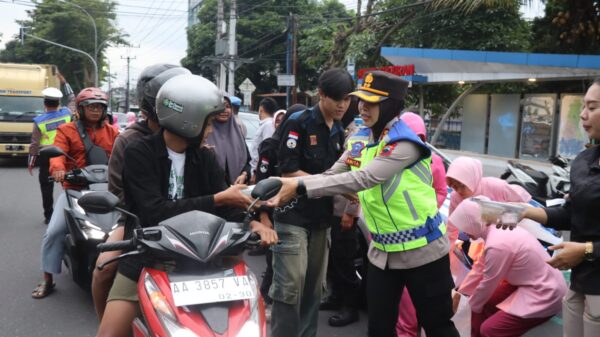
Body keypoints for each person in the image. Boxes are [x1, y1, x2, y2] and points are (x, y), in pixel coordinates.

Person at [267, 70, 460, 337]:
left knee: (438, 326)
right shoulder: (360, 139)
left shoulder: (404, 143)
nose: (362, 108)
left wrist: (299, 186)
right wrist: (281, 186)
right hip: (382, 254)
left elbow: (364, 178)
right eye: (361, 100)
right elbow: (332, 175)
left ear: (391, 104)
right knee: (379, 329)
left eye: (371, 102)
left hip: (423, 251)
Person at [95, 74, 277, 337]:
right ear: (189, 120)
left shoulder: (204, 157)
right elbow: (152, 212)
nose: (212, 130)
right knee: (108, 334)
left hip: (203, 257)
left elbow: (227, 207)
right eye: (210, 123)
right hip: (149, 255)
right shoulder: (139, 153)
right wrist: (218, 199)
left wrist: (255, 223)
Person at [91, 64, 190, 320]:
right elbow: (119, 194)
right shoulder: (130, 141)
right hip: (137, 221)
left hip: (189, 223)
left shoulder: (194, 139)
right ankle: (105, 319)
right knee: (103, 268)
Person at [268, 68, 353, 337]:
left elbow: (338, 175)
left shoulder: (340, 131)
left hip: (321, 219)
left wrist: (346, 189)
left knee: (314, 289)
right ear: (321, 94)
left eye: (347, 99)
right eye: (337, 98)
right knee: (290, 288)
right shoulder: (298, 122)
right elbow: (288, 172)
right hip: (292, 216)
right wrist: (331, 186)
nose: (342, 105)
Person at [513, 78, 600, 337]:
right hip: (580, 285)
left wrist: (586, 250)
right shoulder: (585, 160)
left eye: (593, 107)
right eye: (583, 106)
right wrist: (523, 211)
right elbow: (574, 215)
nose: (583, 115)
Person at [32, 87, 119, 299]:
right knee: (54, 232)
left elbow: (126, 155)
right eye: (91, 107)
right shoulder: (66, 131)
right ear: (81, 108)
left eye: (99, 107)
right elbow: (56, 155)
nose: (96, 111)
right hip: (76, 191)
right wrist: (59, 170)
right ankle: (47, 279)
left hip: (109, 191)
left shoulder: (113, 133)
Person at [450, 198, 567, 337]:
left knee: (489, 330)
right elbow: (480, 267)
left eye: (465, 225)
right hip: (535, 282)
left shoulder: (497, 244)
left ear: (474, 222)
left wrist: (468, 307)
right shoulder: (498, 226)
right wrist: (462, 294)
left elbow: (488, 282)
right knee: (482, 304)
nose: (464, 231)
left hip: (546, 292)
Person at [395, 111, 448, 337]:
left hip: (427, 241)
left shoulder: (433, 161)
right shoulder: (391, 160)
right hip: (394, 241)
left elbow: (441, 191)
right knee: (405, 307)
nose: (414, 142)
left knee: (430, 309)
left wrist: (422, 214)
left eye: (418, 137)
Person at [28, 73, 76, 224]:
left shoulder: (38, 121)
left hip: (46, 156)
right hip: (66, 154)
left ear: (45, 102)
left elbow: (34, 144)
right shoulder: (67, 113)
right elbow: (73, 98)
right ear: (58, 102)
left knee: (46, 187)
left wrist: (31, 162)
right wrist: (65, 82)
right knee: (71, 185)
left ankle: (49, 216)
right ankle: (73, 212)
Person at [203, 95, 252, 185]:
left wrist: (244, 175)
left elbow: (247, 163)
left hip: (235, 191)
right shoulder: (204, 133)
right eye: (221, 106)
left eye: (228, 107)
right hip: (211, 192)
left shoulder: (237, 133)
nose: (224, 110)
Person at [250, 97, 278, 174]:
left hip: (260, 170)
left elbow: (266, 152)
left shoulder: (268, 125)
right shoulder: (266, 124)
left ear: (261, 109)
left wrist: (256, 171)